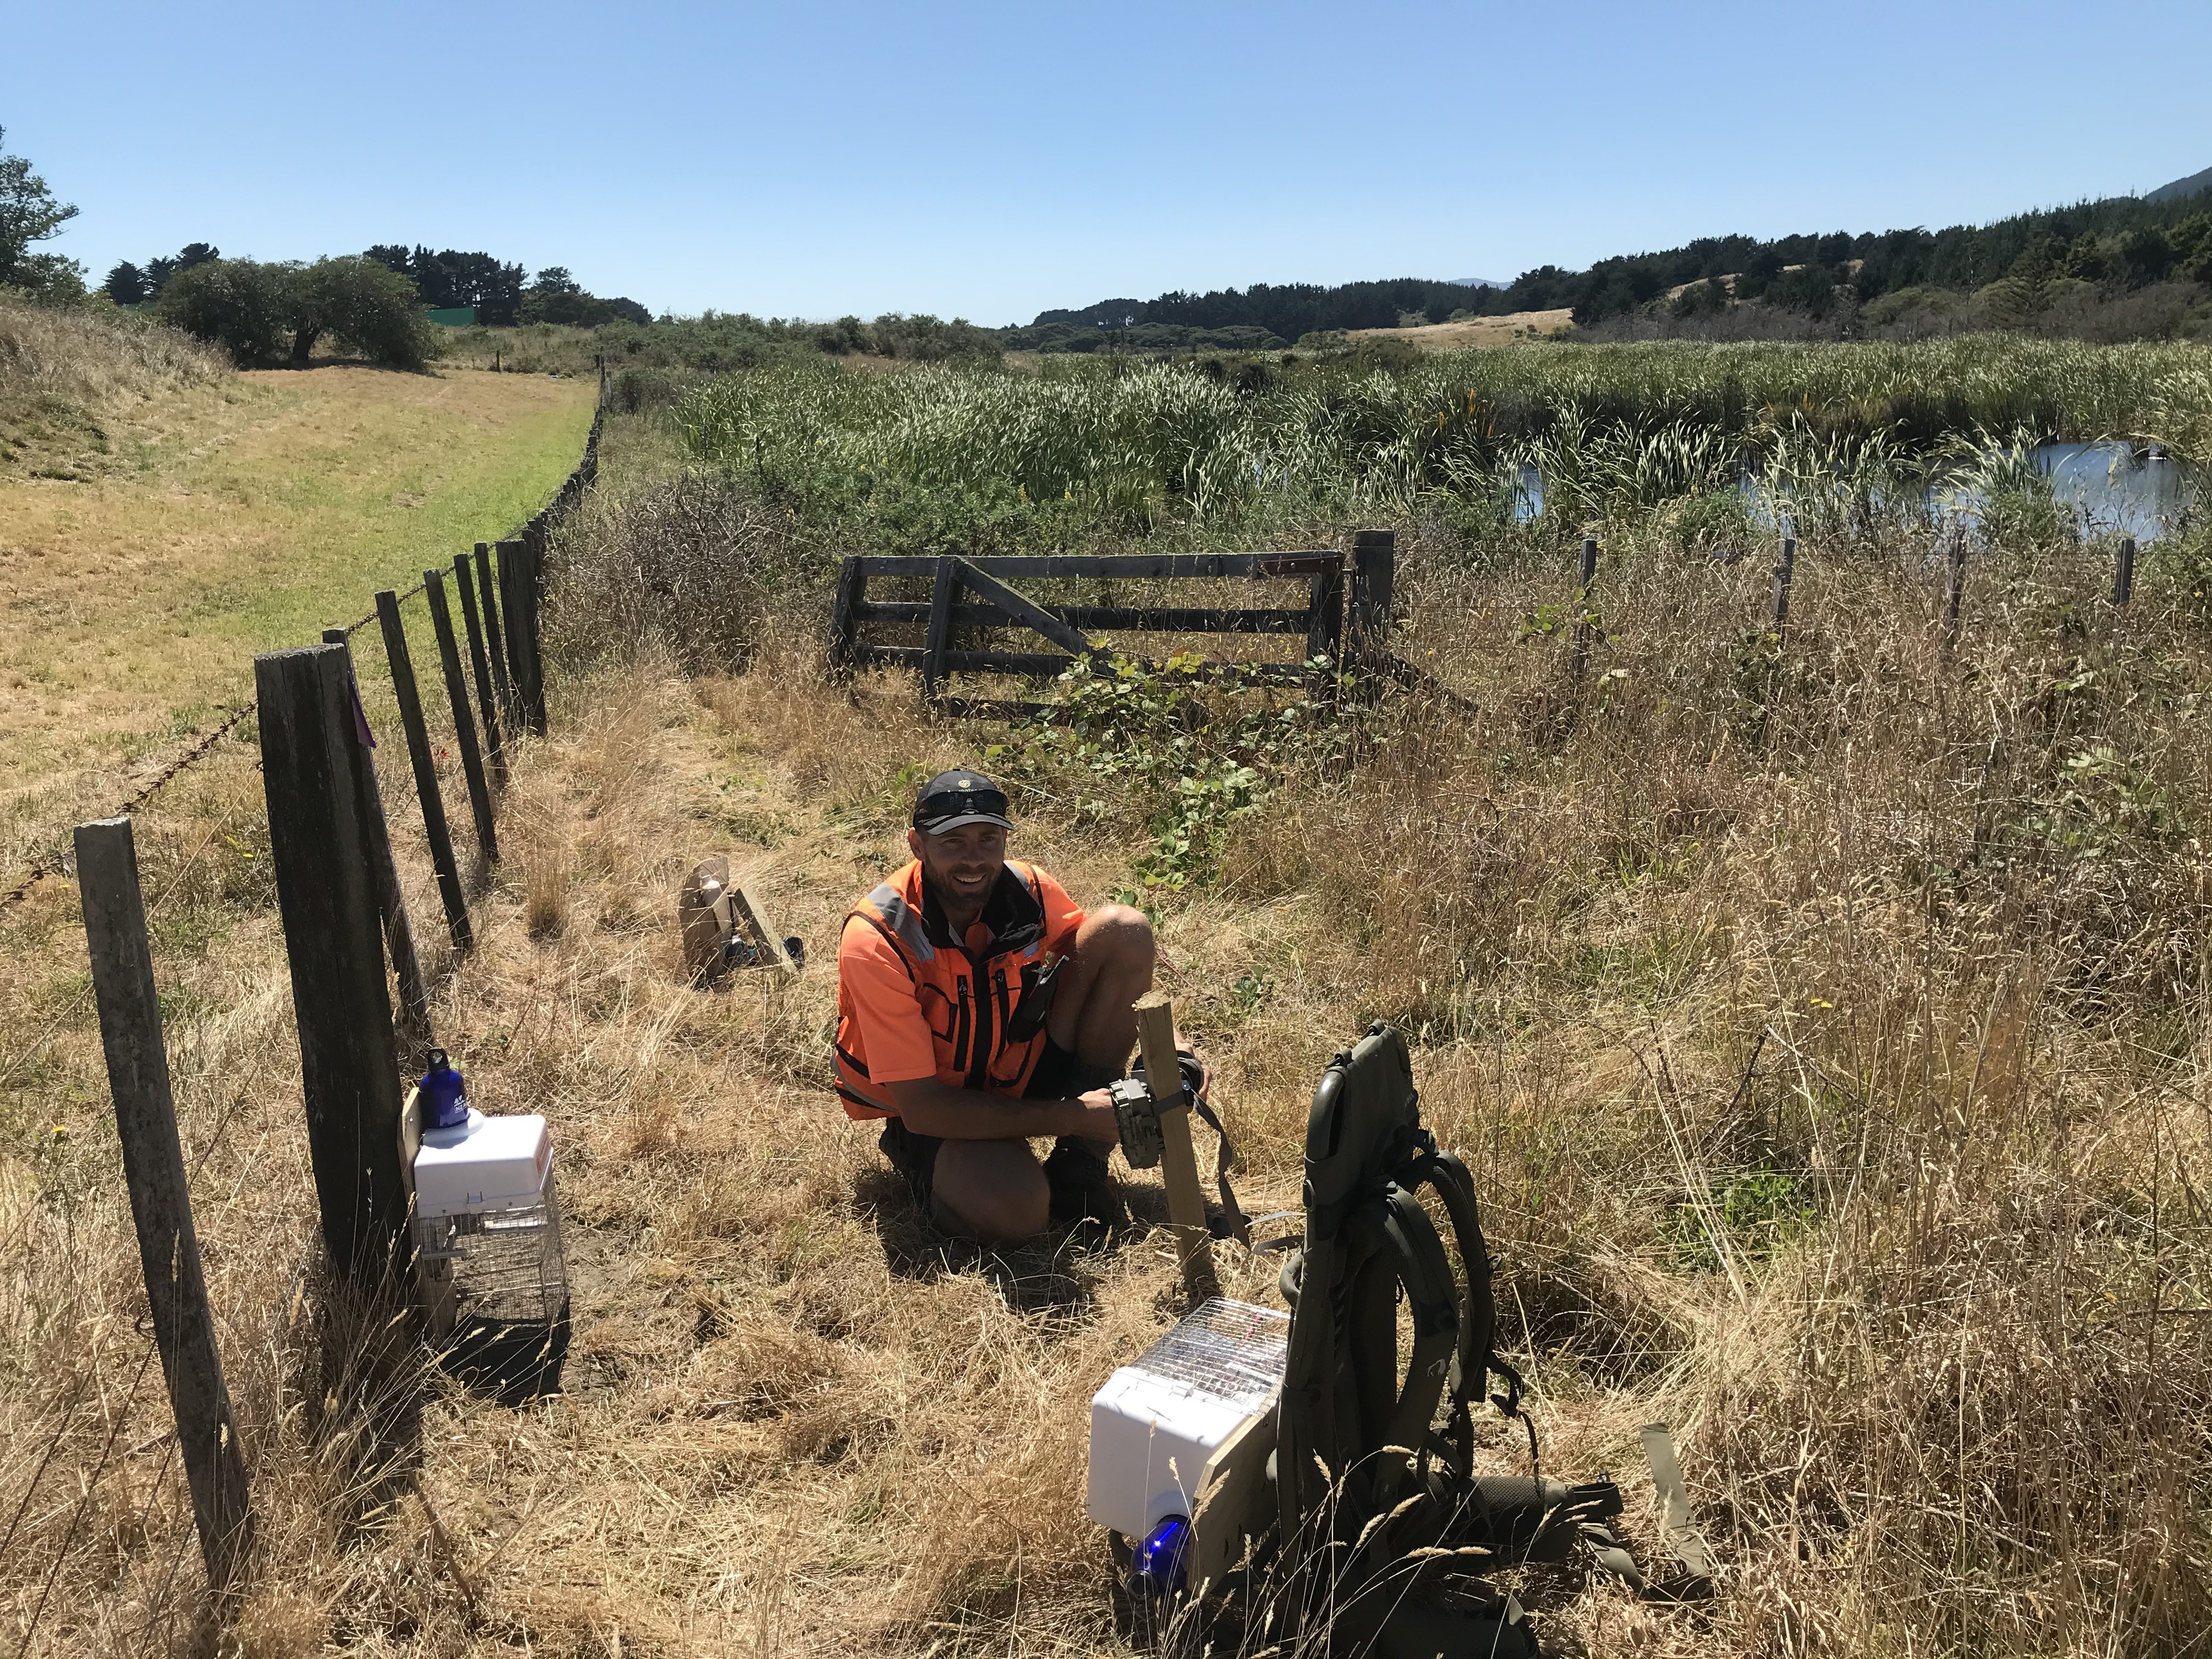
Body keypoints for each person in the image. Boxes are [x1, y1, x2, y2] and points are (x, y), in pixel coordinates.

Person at [833, 769, 1165, 1243]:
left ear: (1006, 839)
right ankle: (940, 1165)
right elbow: (925, 1107)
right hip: (937, 1107)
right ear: (916, 845)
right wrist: (1072, 1114)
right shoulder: (878, 939)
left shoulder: (1030, 890)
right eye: (952, 842)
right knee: (1019, 1214)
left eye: (988, 839)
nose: (973, 860)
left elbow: (1114, 976)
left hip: (1014, 1065)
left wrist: (1170, 1046)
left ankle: (1079, 1166)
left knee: (1125, 929)